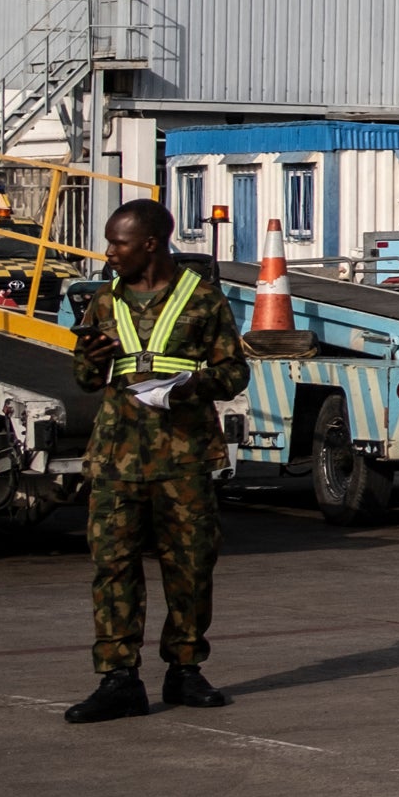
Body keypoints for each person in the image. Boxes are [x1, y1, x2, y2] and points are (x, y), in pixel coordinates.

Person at [65, 196, 248, 722]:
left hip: (184, 458)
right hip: (116, 460)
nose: (110, 252)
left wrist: (188, 386)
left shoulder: (204, 300)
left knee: (189, 568)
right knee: (112, 568)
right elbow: (84, 379)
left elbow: (234, 374)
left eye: (118, 242)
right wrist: (92, 362)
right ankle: (118, 679)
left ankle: (185, 671)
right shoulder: (104, 302)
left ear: (149, 243)